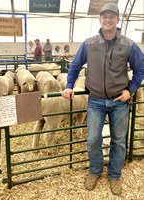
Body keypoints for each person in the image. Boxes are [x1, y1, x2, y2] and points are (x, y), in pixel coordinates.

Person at [61, 3, 144, 196]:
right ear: (100, 20)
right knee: (93, 140)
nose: (108, 20)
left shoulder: (128, 44)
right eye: (104, 17)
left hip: (119, 101)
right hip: (96, 100)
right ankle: (95, 171)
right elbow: (75, 65)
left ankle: (114, 175)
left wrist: (130, 90)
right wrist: (69, 85)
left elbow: (140, 67)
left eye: (111, 17)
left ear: (117, 20)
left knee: (119, 141)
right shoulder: (89, 43)